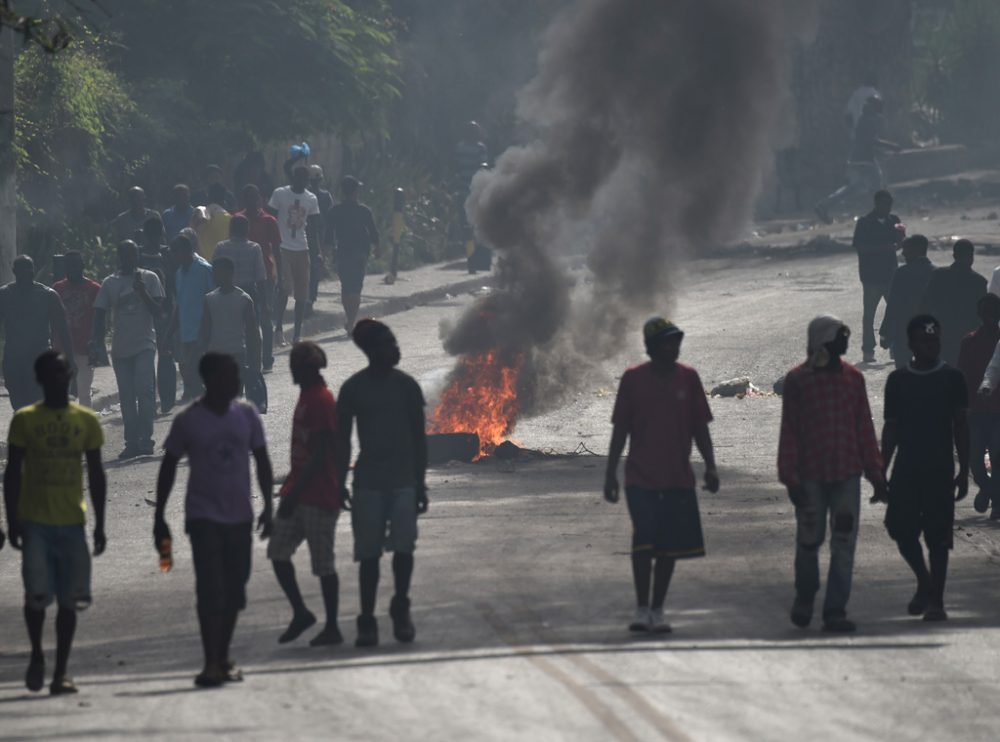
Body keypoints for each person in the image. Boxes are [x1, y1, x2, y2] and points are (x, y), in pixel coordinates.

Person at [154, 353, 273, 687]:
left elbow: (263, 460)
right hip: (203, 516)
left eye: (236, 375)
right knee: (210, 588)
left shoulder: (247, 415)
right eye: (229, 375)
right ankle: (210, 662)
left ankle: (222, 656)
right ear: (210, 379)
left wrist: (268, 506)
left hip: (240, 517)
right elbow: (168, 467)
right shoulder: (188, 420)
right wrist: (160, 516)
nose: (236, 381)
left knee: (235, 590)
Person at [604, 318, 719, 633]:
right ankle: (642, 608)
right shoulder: (633, 379)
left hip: (678, 477)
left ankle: (657, 609)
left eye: (677, 340)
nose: (674, 347)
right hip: (640, 477)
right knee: (644, 538)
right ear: (652, 347)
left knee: (668, 547)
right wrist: (610, 473)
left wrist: (710, 466)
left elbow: (700, 427)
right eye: (668, 342)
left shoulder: (689, 379)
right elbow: (621, 430)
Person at [3, 350, 106, 695]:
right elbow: (11, 474)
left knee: (68, 600)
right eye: (52, 374)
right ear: (41, 380)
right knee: (36, 597)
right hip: (34, 522)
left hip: (72, 522)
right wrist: (13, 520)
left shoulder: (86, 420)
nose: (59, 379)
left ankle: (61, 671)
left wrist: (100, 523)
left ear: (71, 374)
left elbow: (96, 472)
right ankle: (37, 654)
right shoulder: (24, 420)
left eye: (63, 373)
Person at [778, 316, 886, 633]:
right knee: (808, 542)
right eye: (840, 337)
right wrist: (789, 477)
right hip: (809, 477)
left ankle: (835, 610)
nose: (846, 342)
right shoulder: (798, 380)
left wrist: (876, 475)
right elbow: (790, 432)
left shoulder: (853, 379)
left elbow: (864, 428)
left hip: (846, 476)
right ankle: (805, 596)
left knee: (843, 544)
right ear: (823, 340)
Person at [336, 319, 427, 647]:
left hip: (403, 481)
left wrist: (421, 484)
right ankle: (367, 619)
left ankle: (400, 606)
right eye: (389, 343)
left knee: (404, 549)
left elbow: (420, 439)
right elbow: (342, 442)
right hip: (369, 483)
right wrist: (338, 482)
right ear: (372, 351)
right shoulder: (353, 389)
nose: (396, 348)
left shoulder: (408, 387)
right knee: (369, 555)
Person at [878, 315, 969, 622]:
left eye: (935, 341)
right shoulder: (898, 380)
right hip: (906, 468)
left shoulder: (953, 378)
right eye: (924, 341)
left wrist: (964, 470)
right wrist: (881, 471)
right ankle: (924, 581)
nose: (931, 346)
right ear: (911, 345)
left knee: (938, 538)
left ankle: (937, 602)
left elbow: (961, 427)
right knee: (900, 530)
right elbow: (891, 430)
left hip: (940, 469)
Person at [268, 342, 343, 646]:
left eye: (296, 366)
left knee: (323, 565)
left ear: (308, 369)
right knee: (278, 551)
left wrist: (294, 492)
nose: (291, 371)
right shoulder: (306, 396)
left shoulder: (321, 401)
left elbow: (322, 452)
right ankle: (301, 612)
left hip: (319, 495)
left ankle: (333, 626)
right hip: (299, 492)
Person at [91, 241, 165, 459]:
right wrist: (95, 342)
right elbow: (99, 314)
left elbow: (159, 312)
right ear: (119, 257)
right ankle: (131, 441)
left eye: (132, 255)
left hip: (145, 343)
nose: (128, 259)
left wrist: (142, 292)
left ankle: (146, 439)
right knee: (126, 396)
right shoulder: (109, 283)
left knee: (145, 391)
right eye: (124, 255)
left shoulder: (150, 278)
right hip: (121, 347)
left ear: (138, 256)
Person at [0, 255, 75, 410]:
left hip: (40, 359)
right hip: (14, 360)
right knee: (19, 406)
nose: (27, 272)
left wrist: (70, 359)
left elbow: (63, 328)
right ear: (15, 271)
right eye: (23, 269)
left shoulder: (48, 295)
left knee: (39, 405)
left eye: (30, 268)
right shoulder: (5, 295)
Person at [815, 97, 902, 224]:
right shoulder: (871, 120)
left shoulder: (863, 118)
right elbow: (872, 141)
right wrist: (892, 146)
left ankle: (823, 205)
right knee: (877, 188)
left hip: (856, 158)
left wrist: (883, 150)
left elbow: (866, 141)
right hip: (866, 160)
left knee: (854, 188)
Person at [958, 295, 1000, 518]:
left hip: (997, 412)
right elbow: (962, 376)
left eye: (994, 312)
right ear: (980, 315)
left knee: (996, 456)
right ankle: (990, 491)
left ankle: (996, 504)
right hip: (975, 411)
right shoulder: (969, 341)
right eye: (987, 312)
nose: (991, 317)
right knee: (975, 461)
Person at [850, 190, 904, 363]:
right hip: (871, 276)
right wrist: (884, 248)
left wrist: (901, 239)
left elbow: (898, 245)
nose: (887, 208)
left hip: (891, 275)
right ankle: (868, 350)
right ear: (876, 204)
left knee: (896, 313)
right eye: (884, 204)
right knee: (869, 316)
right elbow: (860, 247)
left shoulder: (894, 221)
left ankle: (895, 347)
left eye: (889, 204)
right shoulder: (865, 223)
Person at [269, 165, 321, 345]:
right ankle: (279, 329)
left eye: (304, 179)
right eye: (298, 178)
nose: (301, 182)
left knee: (302, 294)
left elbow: (313, 228)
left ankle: (297, 333)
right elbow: (271, 218)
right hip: (283, 247)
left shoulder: (311, 198)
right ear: (293, 179)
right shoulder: (280, 194)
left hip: (302, 248)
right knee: (284, 288)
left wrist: (318, 252)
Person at [920, 239, 988, 366]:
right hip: (967, 335)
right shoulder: (979, 281)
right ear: (972, 256)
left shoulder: (939, 275)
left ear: (954, 255)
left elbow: (925, 304)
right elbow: (982, 313)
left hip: (941, 332)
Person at [234, 184, 280, 370]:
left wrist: (282, 277)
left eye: (255, 198)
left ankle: (267, 357)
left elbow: (276, 249)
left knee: (265, 315)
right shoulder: (237, 219)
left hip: (266, 276)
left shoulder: (269, 220)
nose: (253, 202)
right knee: (243, 318)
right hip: (242, 277)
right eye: (249, 198)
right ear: (244, 200)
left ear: (260, 199)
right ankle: (247, 357)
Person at [329, 176, 380, 335]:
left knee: (346, 287)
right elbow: (373, 232)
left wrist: (325, 253)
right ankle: (351, 322)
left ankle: (350, 321)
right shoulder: (364, 210)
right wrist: (378, 248)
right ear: (355, 191)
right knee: (356, 288)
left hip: (343, 252)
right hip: (360, 253)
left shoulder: (335, 211)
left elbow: (328, 235)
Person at [52, 252, 101, 408]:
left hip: (85, 347)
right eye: (69, 265)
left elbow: (100, 320)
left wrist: (96, 346)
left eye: (76, 265)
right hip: (61, 347)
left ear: (83, 266)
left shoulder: (94, 289)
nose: (73, 269)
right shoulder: (57, 289)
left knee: (84, 392)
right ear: (65, 267)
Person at [170, 232, 215, 401]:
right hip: (185, 332)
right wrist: (170, 332)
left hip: (202, 331)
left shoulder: (204, 269)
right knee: (187, 370)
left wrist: (207, 331)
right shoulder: (179, 273)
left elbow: (213, 301)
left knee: (197, 372)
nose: (175, 256)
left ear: (187, 250)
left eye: (177, 252)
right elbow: (179, 304)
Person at [200, 257, 261, 379]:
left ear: (230, 273)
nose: (215, 276)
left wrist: (255, 363)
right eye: (214, 273)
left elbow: (252, 332)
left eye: (219, 272)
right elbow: (205, 329)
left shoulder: (244, 299)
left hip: (237, 355)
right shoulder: (209, 299)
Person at [880, 234, 935, 369]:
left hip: (903, 331)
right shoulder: (936, 272)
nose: (903, 253)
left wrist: (886, 333)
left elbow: (893, 305)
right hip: (929, 330)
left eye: (906, 249)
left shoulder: (902, 273)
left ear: (917, 250)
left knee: (904, 372)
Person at [307, 165, 335, 311]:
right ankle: (310, 297)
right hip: (316, 235)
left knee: (312, 266)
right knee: (314, 267)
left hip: (310, 234)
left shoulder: (305, 194)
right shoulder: (325, 196)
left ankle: (309, 297)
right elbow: (331, 219)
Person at [192, 183, 232, 261]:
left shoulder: (197, 215)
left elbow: (190, 236)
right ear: (224, 199)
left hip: (201, 263)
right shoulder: (230, 219)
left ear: (207, 196)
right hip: (221, 265)